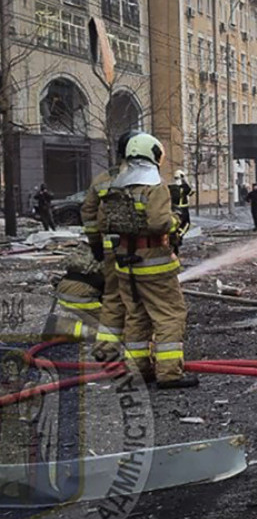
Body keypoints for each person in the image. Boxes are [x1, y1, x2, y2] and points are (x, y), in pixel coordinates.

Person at [98, 132, 196, 390]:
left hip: (125, 263)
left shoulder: (117, 186)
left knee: (136, 316)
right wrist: (176, 219)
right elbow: (159, 223)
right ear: (153, 154)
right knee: (169, 315)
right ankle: (169, 373)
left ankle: (138, 370)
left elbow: (102, 222)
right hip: (154, 262)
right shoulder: (154, 186)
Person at [81, 129, 138, 363]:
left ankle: (106, 349)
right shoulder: (145, 179)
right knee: (138, 302)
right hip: (139, 250)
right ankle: (140, 357)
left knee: (113, 298)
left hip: (110, 250)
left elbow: (88, 213)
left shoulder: (103, 179)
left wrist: (95, 244)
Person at [42, 243, 104, 342]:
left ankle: (62, 323)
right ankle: (60, 327)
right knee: (109, 334)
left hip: (66, 286)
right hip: (81, 291)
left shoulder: (96, 245)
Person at [168, 169, 192, 242]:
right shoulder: (184, 187)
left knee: (176, 224)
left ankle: (174, 236)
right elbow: (190, 191)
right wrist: (185, 178)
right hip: (183, 210)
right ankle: (179, 236)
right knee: (186, 224)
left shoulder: (171, 188)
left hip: (173, 209)